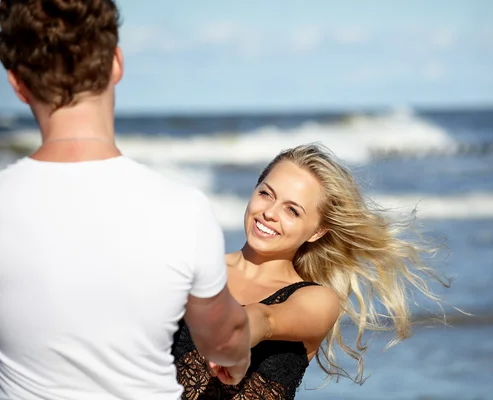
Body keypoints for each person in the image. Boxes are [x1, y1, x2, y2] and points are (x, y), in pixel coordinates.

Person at [0, 1, 250, 399]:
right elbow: (225, 337)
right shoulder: (182, 211)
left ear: (17, 83)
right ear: (116, 63)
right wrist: (236, 360)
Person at [173, 143, 450, 399]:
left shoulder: (318, 300)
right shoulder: (193, 268)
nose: (269, 212)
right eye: (266, 193)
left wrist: (235, 338)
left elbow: (265, 318)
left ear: (317, 232)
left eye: (292, 211)